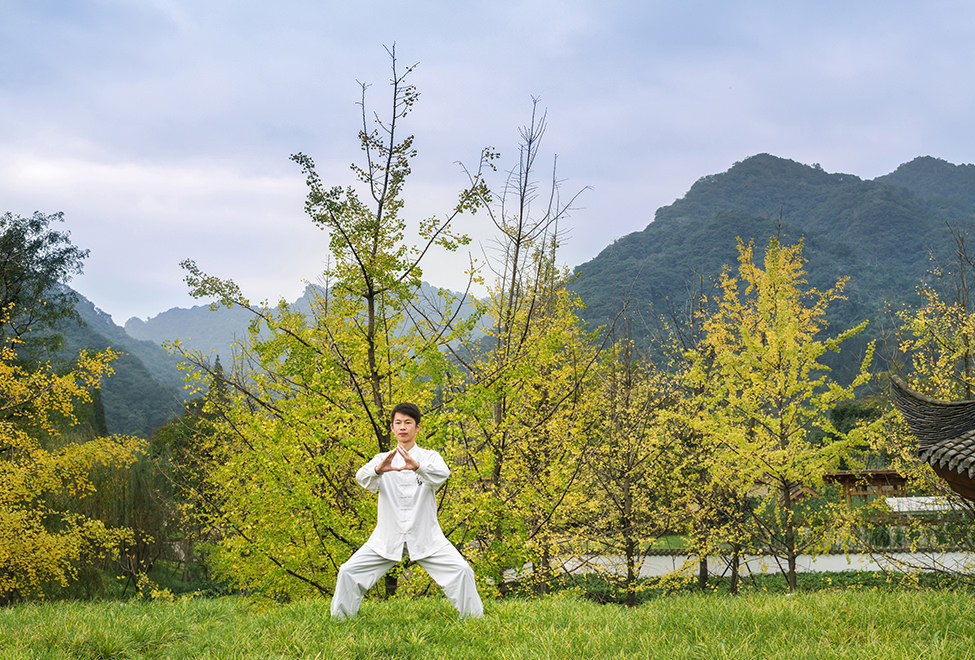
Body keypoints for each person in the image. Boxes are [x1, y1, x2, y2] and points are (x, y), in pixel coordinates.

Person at [330, 402, 483, 619]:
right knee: (348, 571)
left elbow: (442, 474)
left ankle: (473, 620)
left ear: (417, 427)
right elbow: (361, 478)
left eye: (408, 423)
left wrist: (418, 466)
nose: (403, 427)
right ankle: (340, 620)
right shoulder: (382, 459)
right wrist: (378, 470)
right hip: (387, 537)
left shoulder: (430, 457)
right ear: (392, 428)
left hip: (426, 536)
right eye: (398, 423)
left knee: (462, 571)